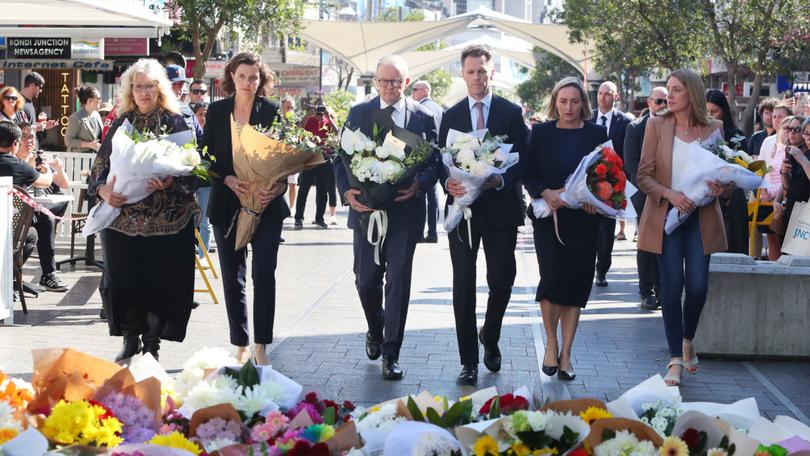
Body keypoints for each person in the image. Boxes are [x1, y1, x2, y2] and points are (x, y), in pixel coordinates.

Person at [334, 54, 439, 380]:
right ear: (376, 81)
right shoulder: (359, 112)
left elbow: (435, 162)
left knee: (398, 281)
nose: (390, 87)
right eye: (384, 81)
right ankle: (375, 328)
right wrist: (347, 193)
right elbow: (341, 158)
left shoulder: (423, 117)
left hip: (405, 213)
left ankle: (391, 353)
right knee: (366, 281)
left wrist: (419, 185)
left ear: (406, 82)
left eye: (396, 81)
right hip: (366, 212)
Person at [88, 58, 200, 363]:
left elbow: (195, 169)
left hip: (167, 219)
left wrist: (170, 180)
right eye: (138, 86)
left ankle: (151, 343)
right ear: (130, 89)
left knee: (158, 283)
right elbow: (99, 165)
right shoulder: (122, 121)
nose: (143, 92)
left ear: (159, 88)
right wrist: (102, 190)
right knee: (123, 280)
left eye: (149, 86)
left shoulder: (176, 121)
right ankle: (130, 338)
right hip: (122, 218)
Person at [441, 45, 529, 385]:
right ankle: (468, 362)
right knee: (463, 283)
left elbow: (524, 158)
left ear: (492, 72)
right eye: (471, 71)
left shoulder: (510, 112)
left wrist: (501, 178)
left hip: (501, 210)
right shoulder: (451, 116)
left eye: (482, 71)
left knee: (502, 280)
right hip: (463, 212)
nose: (477, 77)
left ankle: (489, 335)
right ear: (462, 75)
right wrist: (448, 182)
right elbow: (441, 160)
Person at [636, 69, 731, 386]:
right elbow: (644, 175)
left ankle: (688, 338)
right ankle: (675, 359)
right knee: (672, 286)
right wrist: (670, 194)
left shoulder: (714, 127)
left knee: (699, 287)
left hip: (701, 218)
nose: (670, 95)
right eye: (669, 90)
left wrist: (722, 187)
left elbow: (727, 176)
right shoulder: (655, 125)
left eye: (676, 90)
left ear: (692, 93)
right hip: (668, 218)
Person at [204, 52, 289, 366]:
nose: (248, 82)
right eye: (242, 76)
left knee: (264, 274)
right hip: (227, 205)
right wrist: (225, 178)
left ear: (261, 79)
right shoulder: (216, 111)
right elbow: (204, 158)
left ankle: (262, 345)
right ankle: (239, 343)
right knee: (232, 277)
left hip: (266, 206)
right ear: (232, 76)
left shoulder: (271, 110)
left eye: (254, 77)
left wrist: (276, 186)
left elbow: (284, 155)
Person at [522, 77, 607, 382]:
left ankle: (567, 354)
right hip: (550, 218)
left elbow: (607, 173)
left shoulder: (597, 133)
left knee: (575, 287)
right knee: (552, 278)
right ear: (554, 103)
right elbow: (527, 172)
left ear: (583, 103)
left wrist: (596, 199)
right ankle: (551, 342)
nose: (569, 107)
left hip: (584, 221)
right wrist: (546, 193)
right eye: (563, 101)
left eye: (574, 101)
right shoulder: (542, 132)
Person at [623, 87, 668, 310]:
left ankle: (662, 290)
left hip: (669, 194)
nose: (662, 105)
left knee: (664, 244)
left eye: (666, 101)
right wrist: (650, 188)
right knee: (647, 243)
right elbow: (630, 164)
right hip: (644, 194)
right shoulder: (635, 128)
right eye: (659, 101)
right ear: (649, 102)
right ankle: (646, 291)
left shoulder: (674, 126)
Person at [15, 122, 70, 291]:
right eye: (24, 137)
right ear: (15, 142)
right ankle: (42, 275)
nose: (29, 141)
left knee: (48, 218)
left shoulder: (39, 159)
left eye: (31, 136)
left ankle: (48, 275)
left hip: (33, 213)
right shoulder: (15, 161)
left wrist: (58, 169)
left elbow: (64, 184)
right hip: (15, 215)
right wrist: (37, 169)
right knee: (45, 221)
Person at [0, 121, 52, 298]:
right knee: (31, 234)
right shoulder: (19, 167)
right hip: (7, 231)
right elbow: (46, 182)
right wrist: (49, 171)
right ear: (15, 144)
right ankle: (10, 276)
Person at [592, 81, 632, 287]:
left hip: (612, 183)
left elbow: (627, 152)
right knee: (588, 228)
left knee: (607, 230)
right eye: (600, 93)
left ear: (615, 96)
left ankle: (602, 270)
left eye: (608, 94)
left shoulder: (625, 122)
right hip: (588, 182)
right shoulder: (587, 118)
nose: (603, 97)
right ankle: (587, 266)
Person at [705, 89, 750, 255]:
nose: (710, 115)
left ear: (723, 110)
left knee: (734, 248)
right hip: (706, 196)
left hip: (733, 198)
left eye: (714, 111)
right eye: (707, 111)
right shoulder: (697, 135)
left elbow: (744, 169)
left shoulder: (736, 137)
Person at [294, 101, 337, 230]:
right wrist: (307, 115)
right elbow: (299, 130)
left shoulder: (327, 120)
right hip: (310, 157)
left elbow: (337, 132)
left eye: (322, 108)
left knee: (323, 191)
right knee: (303, 189)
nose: (320, 110)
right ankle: (298, 218)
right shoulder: (310, 119)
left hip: (324, 158)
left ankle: (319, 218)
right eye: (318, 107)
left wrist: (329, 118)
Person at [758, 104, 793, 259]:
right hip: (768, 197)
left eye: (781, 116)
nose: (777, 120)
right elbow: (761, 168)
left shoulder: (794, 142)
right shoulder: (768, 141)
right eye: (774, 116)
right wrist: (764, 192)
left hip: (786, 195)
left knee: (785, 237)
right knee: (772, 236)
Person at [411, 80, 444, 243]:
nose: (412, 93)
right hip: (437, 157)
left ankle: (419, 232)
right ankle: (432, 231)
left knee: (420, 194)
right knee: (433, 196)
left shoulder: (421, 109)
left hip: (422, 157)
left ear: (424, 91)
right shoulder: (439, 109)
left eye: (414, 89)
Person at [777, 115, 810, 253]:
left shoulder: (801, 155)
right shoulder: (794, 152)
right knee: (789, 254)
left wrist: (802, 160)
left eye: (797, 129)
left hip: (806, 212)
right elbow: (787, 188)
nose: (808, 137)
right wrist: (784, 173)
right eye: (807, 133)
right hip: (794, 209)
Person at [65, 86, 103, 153]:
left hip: (95, 158)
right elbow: (68, 141)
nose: (100, 101)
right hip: (78, 159)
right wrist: (89, 145)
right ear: (89, 101)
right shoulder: (75, 118)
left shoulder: (97, 115)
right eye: (98, 98)